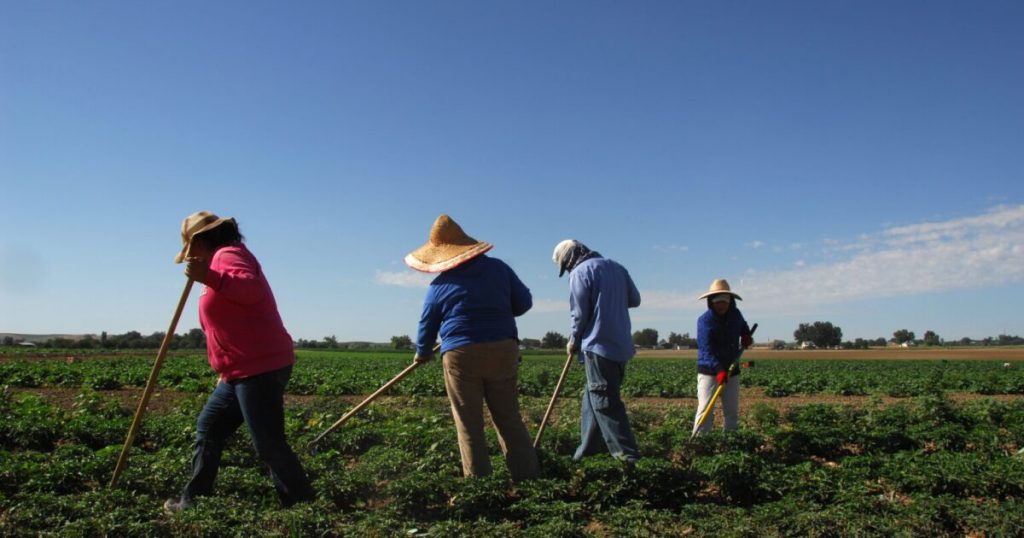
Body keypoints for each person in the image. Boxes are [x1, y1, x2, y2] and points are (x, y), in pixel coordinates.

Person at [164, 211, 315, 513]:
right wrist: (226, 367)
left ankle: (303, 507)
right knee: (209, 428)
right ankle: (193, 500)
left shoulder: (228, 255)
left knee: (268, 443)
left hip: (259, 366)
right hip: (239, 370)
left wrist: (208, 276)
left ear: (205, 241)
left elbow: (250, 290)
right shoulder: (219, 261)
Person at [407, 214, 539, 481]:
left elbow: (427, 324)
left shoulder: (440, 285)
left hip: (461, 354)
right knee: (509, 417)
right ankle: (528, 478)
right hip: (503, 348)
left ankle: (480, 484)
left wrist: (422, 351)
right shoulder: (500, 269)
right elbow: (523, 303)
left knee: (469, 422)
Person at [551, 239, 641, 463]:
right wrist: (611, 301)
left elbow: (580, 314)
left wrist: (573, 340)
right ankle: (585, 455)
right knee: (592, 399)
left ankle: (628, 459)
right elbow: (635, 300)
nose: (568, 269)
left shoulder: (580, 273)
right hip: (620, 345)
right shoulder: (617, 267)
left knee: (605, 403)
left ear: (570, 258)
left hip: (598, 345)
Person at [692, 279, 753, 436]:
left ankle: (730, 442)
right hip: (709, 371)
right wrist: (719, 370)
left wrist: (746, 335)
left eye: (725, 300)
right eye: (718, 300)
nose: (722, 305)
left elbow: (743, 326)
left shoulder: (735, 315)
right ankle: (700, 442)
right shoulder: (705, 320)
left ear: (730, 301)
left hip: (732, 369)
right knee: (705, 409)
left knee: (731, 411)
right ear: (711, 302)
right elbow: (706, 349)